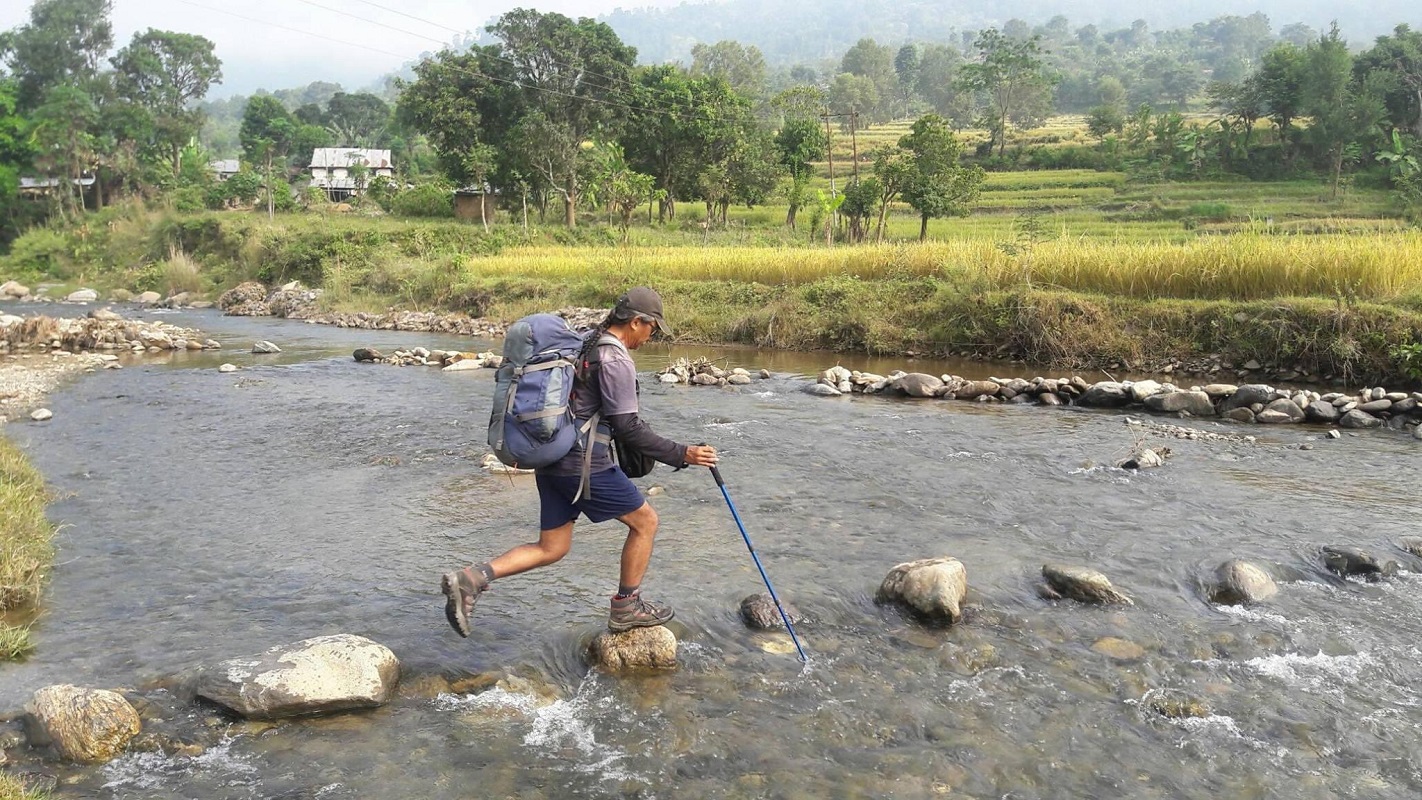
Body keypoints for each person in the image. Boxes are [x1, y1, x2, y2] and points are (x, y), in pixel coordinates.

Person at [442, 287, 719, 637]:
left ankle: (471, 578)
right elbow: (628, 427)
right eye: (652, 329)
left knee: (552, 547)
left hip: (553, 458)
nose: (651, 337)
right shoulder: (614, 358)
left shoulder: (588, 341)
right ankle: (626, 606)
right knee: (646, 522)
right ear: (637, 322)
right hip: (583, 465)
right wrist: (684, 453)